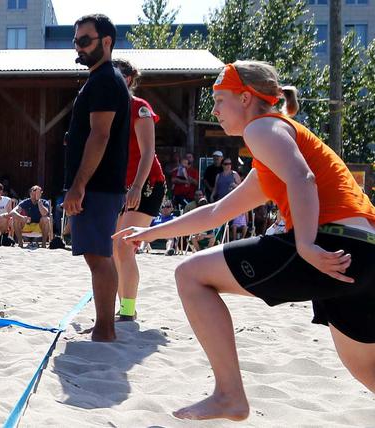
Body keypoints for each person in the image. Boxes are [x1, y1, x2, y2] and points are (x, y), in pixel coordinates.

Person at [116, 61, 375, 421]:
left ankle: (229, 395)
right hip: (365, 256)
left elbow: (304, 178)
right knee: (368, 371)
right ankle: (228, 396)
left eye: (220, 100)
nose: (215, 110)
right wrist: (151, 231)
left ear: (245, 97)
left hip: (330, 244)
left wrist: (305, 245)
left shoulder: (262, 128)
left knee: (190, 276)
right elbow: (215, 212)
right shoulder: (274, 143)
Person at [62, 14, 131, 342]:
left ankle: (106, 329)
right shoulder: (103, 78)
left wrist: (78, 185)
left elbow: (100, 135)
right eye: (76, 41)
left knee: (98, 257)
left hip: (98, 186)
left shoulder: (105, 79)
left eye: (85, 40)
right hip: (101, 185)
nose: (79, 47)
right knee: (100, 256)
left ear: (107, 42)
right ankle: (105, 324)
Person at [110, 58, 167, 322]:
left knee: (124, 246)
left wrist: (136, 187)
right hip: (121, 188)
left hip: (147, 186)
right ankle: (125, 309)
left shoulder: (139, 107)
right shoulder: (108, 111)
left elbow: (148, 153)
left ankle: (128, 312)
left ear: (129, 79)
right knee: (115, 249)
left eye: (117, 75)